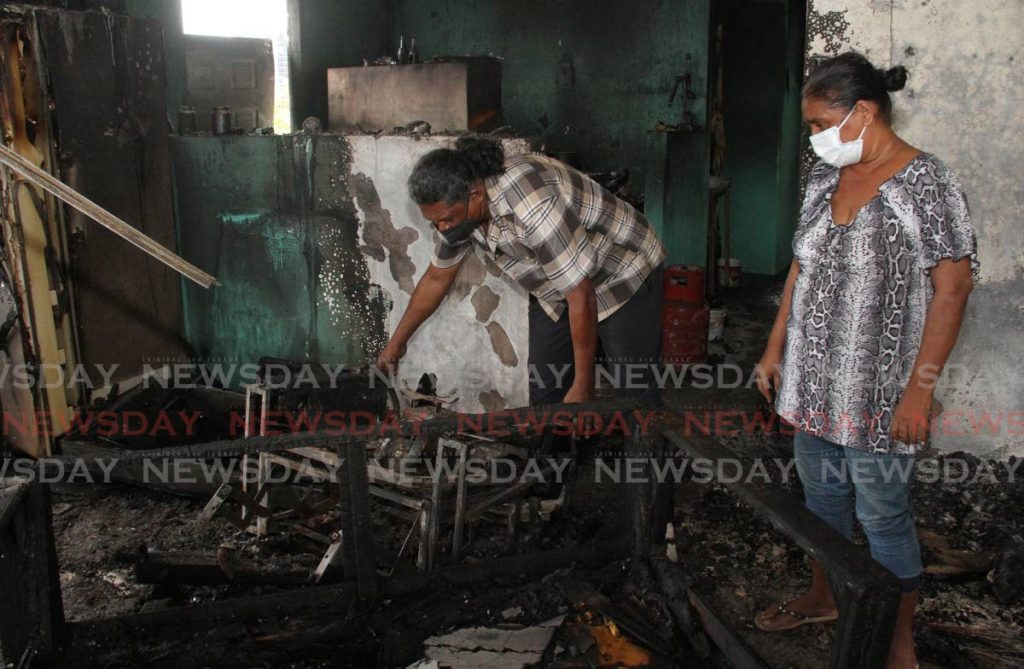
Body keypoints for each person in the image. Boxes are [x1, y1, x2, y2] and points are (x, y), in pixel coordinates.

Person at [752, 52, 977, 669]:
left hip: (879, 393)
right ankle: (826, 594)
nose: (817, 138)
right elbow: (801, 266)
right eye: (812, 128)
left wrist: (920, 391)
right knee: (822, 502)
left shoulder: (925, 183)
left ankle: (896, 644)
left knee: (883, 516)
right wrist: (775, 350)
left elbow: (953, 289)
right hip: (811, 383)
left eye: (823, 124)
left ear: (865, 112)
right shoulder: (824, 181)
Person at [375, 136, 666, 406]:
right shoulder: (457, 213)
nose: (442, 229)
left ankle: (643, 458)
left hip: (622, 270)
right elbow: (437, 279)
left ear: (475, 195)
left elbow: (581, 294)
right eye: (436, 222)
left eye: (447, 219)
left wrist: (584, 383)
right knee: (545, 385)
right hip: (561, 284)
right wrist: (395, 346)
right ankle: (561, 458)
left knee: (633, 389)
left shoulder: (531, 201)